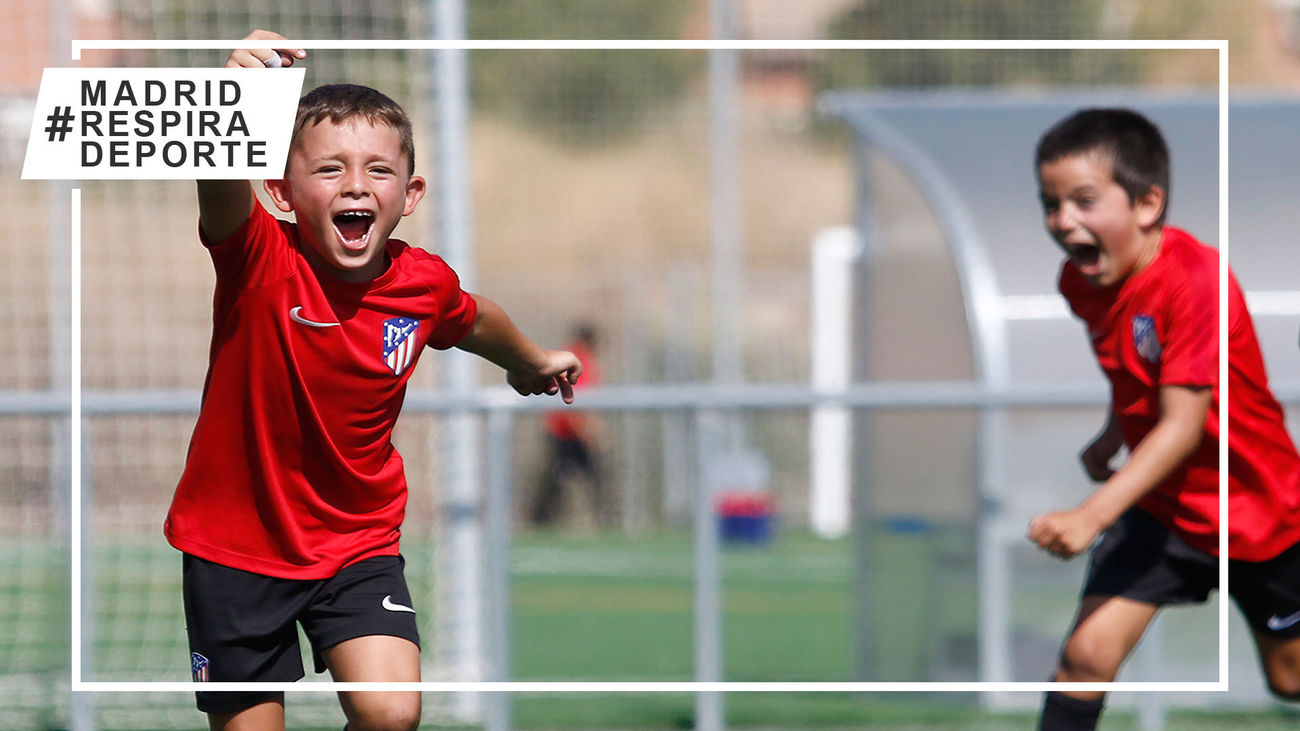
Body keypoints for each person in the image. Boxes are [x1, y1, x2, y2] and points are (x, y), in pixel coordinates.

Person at [163, 31, 582, 731]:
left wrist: (529, 360)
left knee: (390, 711)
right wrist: (231, 98)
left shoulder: (423, 284)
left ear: (410, 194)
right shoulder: (258, 258)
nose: (355, 184)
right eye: (329, 168)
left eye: (378, 170)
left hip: (356, 541)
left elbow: (473, 318)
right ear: (280, 190)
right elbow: (219, 182)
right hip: (235, 550)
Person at [1027, 108, 1300, 730]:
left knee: (1290, 678)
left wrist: (1090, 515)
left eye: (1084, 201)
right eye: (1051, 204)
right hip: (1163, 507)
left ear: (1148, 204)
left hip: (1258, 508)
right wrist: (1113, 433)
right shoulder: (1082, 282)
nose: (1063, 220)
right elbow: (1138, 368)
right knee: (1085, 657)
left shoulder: (1196, 282)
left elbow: (1181, 426)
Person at [530, 324, 607, 526]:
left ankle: (541, 518)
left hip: (564, 429)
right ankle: (605, 516)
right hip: (567, 431)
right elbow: (573, 402)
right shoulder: (578, 360)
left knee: (561, 476)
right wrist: (587, 432)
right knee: (587, 475)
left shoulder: (571, 354)